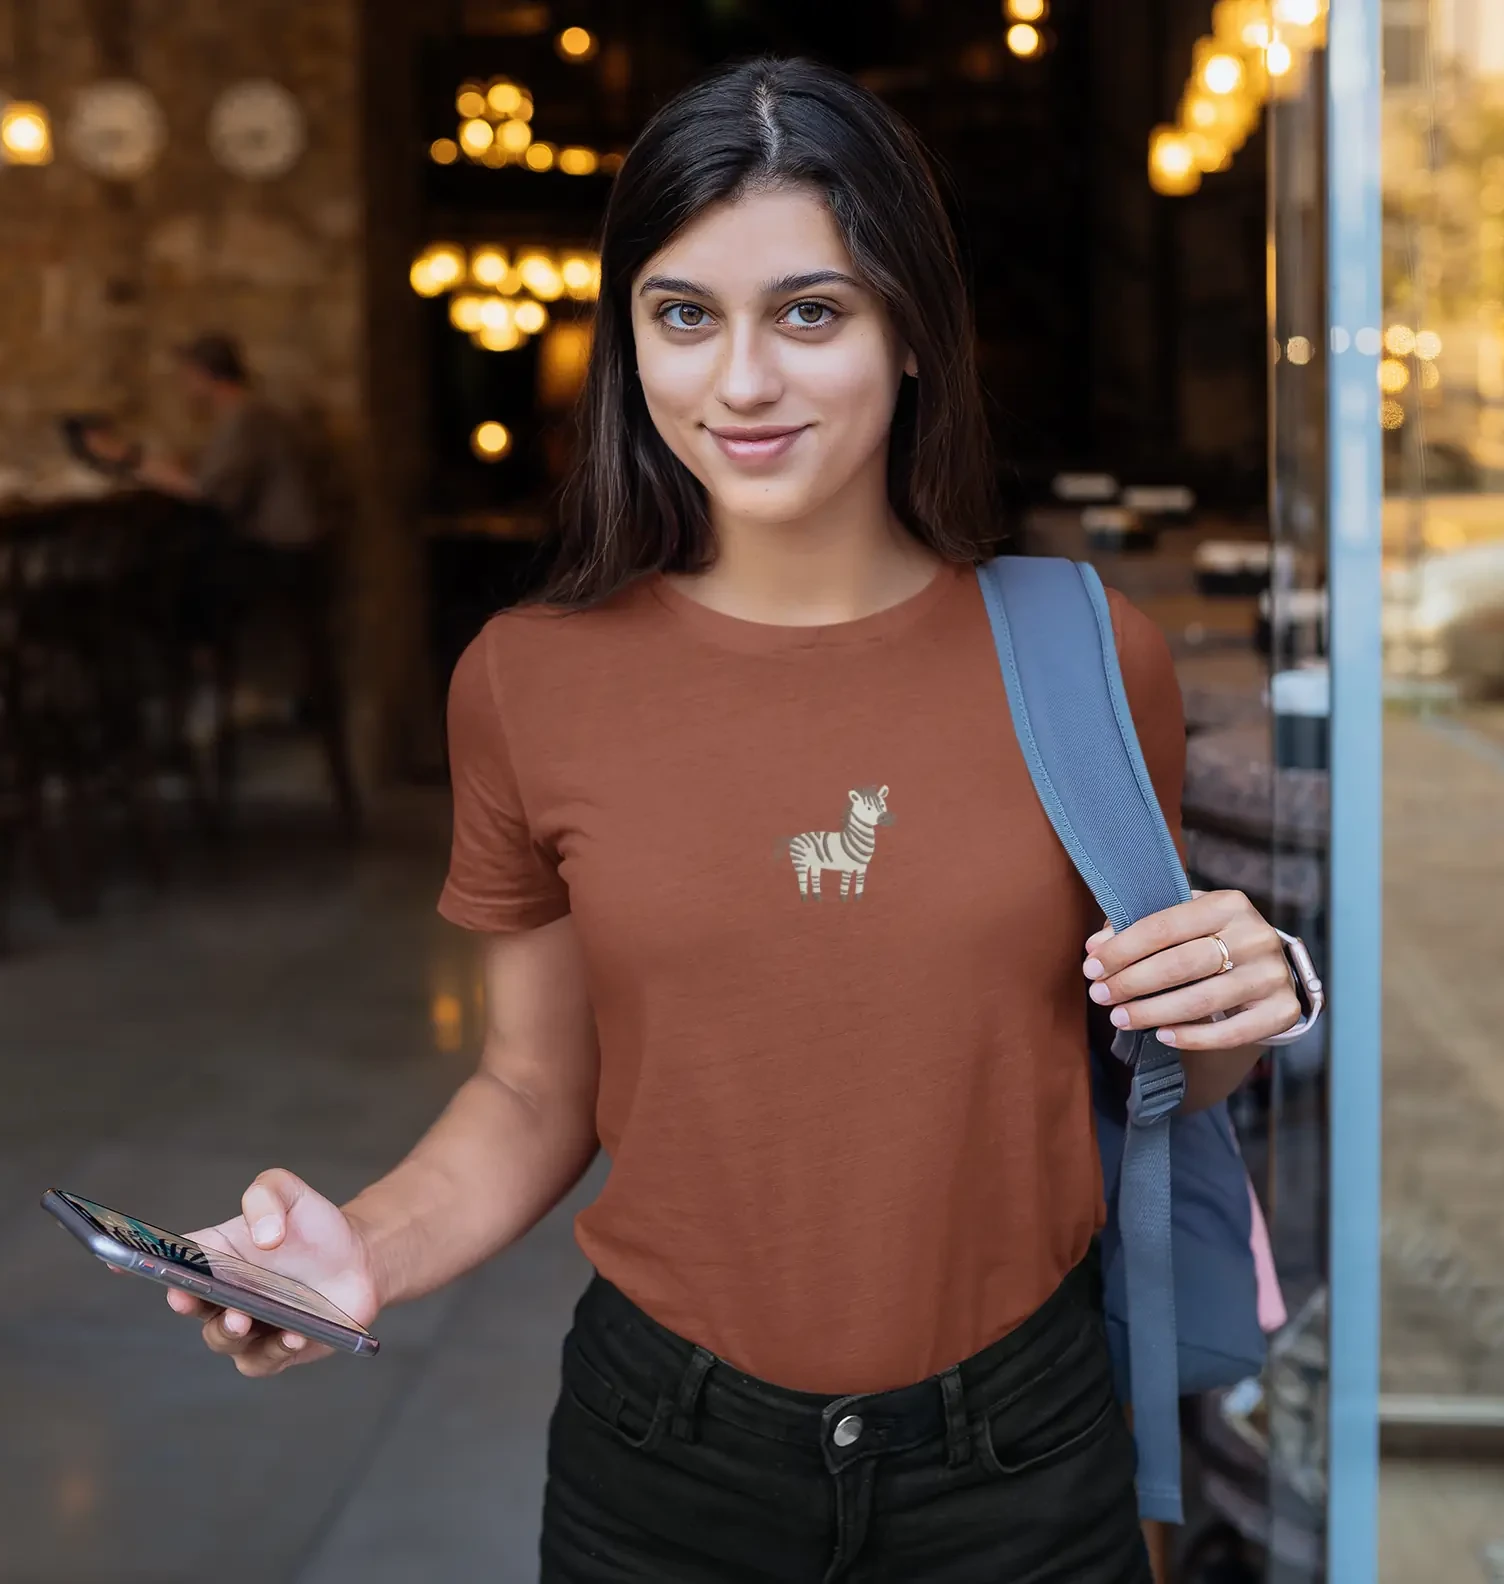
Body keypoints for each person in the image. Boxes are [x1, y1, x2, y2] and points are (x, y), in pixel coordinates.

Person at [163, 58, 1304, 1582]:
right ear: (630, 339)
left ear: (913, 332)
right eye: (684, 315)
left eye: (811, 313)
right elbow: (533, 1087)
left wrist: (1241, 995)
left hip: (1022, 1456)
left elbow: (1161, 1074)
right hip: (664, 1465)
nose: (742, 381)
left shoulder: (1092, 655)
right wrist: (360, 1248)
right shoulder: (529, 681)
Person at [86, 335, 357, 829]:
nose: (183, 388)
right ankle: (179, 711)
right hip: (291, 557)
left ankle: (187, 707)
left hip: (281, 561)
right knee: (163, 578)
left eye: (187, 376)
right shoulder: (251, 417)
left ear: (203, 375)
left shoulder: (246, 417)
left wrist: (127, 460)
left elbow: (208, 492)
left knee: (154, 590)